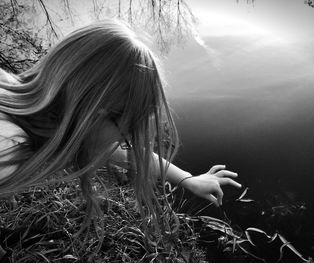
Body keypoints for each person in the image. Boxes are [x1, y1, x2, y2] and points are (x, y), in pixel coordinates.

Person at [0, 20, 241, 231]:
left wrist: (186, 179)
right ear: (95, 114)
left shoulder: (22, 97)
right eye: (125, 133)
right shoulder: (7, 145)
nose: (122, 143)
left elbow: (128, 155)